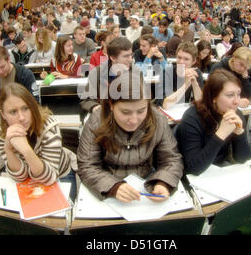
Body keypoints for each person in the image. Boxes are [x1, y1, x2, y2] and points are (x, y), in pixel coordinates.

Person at [77, 70, 183, 202]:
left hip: (147, 181)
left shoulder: (158, 120)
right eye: (125, 112)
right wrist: (113, 187)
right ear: (111, 105)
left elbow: (171, 159)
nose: (134, 120)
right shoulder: (96, 122)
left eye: (141, 111)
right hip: (106, 185)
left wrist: (163, 182)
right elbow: (87, 165)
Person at [0, 83, 77, 191]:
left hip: (60, 175)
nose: (21, 117)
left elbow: (49, 178)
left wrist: (26, 150)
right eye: (13, 112)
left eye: (25, 108)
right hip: (31, 178)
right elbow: (20, 177)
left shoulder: (49, 126)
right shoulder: (1, 132)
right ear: (3, 114)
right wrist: (8, 150)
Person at [175, 69, 251, 175]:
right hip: (193, 175)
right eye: (230, 95)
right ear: (214, 98)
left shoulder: (235, 114)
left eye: (238, 94)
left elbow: (243, 159)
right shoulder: (192, 118)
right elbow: (193, 168)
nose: (236, 101)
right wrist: (221, 134)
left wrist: (239, 132)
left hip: (219, 169)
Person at [80, 37, 134, 113]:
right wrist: (95, 107)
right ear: (113, 58)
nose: (130, 59)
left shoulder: (135, 72)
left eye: (131, 55)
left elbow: (144, 99)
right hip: (106, 116)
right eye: (126, 56)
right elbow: (87, 99)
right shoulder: (97, 73)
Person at [159, 42, 204, 110]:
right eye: (179, 57)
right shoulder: (167, 72)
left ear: (193, 61)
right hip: (167, 112)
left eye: (186, 59)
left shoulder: (196, 73)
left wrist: (194, 83)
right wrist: (185, 85)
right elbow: (166, 104)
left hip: (183, 112)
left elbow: (201, 104)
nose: (181, 62)